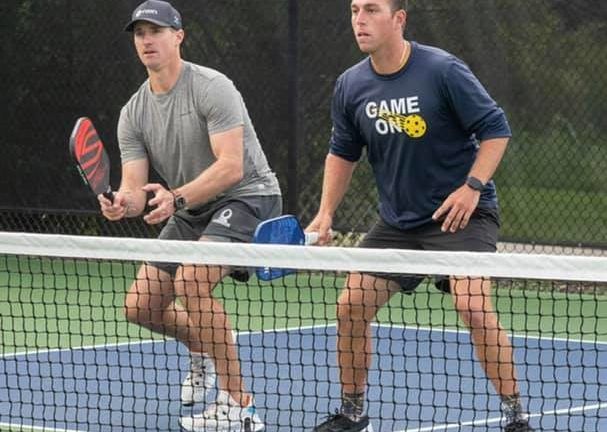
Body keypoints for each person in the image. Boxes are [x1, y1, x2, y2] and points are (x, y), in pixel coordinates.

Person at [306, 1, 533, 431]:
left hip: (460, 215)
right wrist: (325, 213)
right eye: (355, 9)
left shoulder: (442, 70)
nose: (359, 19)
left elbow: (495, 129)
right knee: (350, 307)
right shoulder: (350, 85)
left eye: (371, 9)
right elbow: (343, 152)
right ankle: (353, 414)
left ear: (399, 19)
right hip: (398, 223)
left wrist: (471, 188)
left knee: (473, 307)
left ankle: (515, 418)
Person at [100, 1, 281, 431]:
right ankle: (206, 346)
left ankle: (240, 407)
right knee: (141, 307)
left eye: (156, 32)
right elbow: (135, 188)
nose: (147, 41)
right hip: (192, 207)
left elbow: (232, 166)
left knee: (192, 281)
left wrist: (176, 198)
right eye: (140, 34)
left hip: (248, 196)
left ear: (178, 36)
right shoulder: (133, 113)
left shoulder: (211, 87)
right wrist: (120, 203)